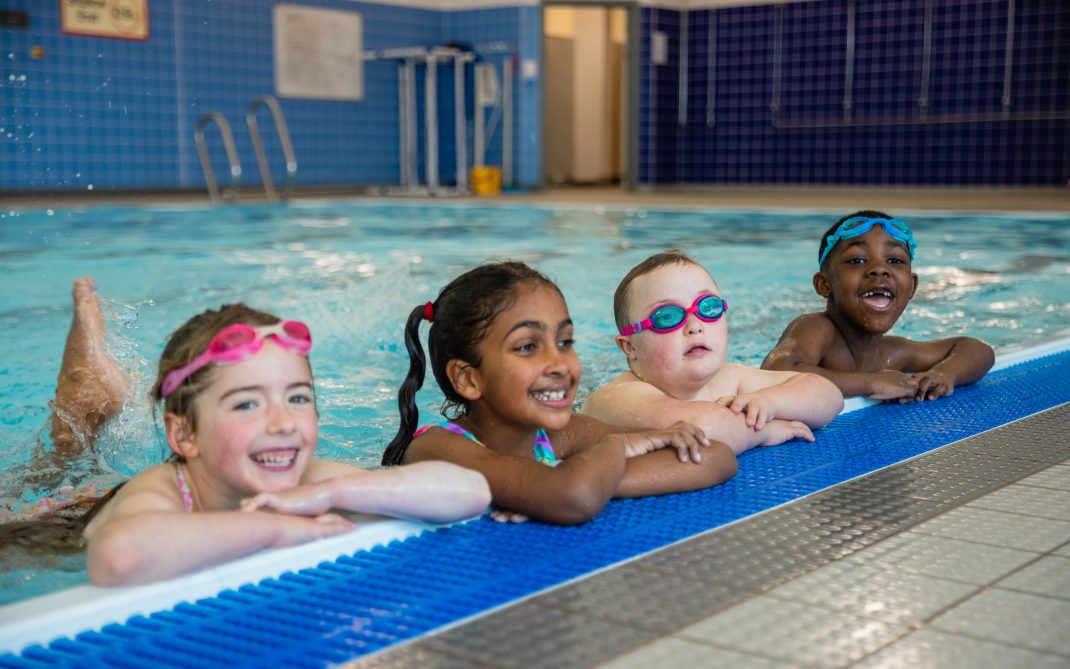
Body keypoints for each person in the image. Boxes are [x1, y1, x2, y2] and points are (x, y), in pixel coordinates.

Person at [9, 278, 492, 586]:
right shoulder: (158, 492)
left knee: (74, 462)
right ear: (184, 437)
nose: (282, 422)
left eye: (298, 397)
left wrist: (337, 491)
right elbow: (118, 557)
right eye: (246, 403)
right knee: (52, 470)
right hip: (51, 524)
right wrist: (274, 527)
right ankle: (86, 394)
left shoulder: (306, 481)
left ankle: (93, 399)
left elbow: (469, 491)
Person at [382, 261, 738, 525]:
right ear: (468, 379)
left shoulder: (553, 435)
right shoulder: (437, 448)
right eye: (527, 347)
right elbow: (574, 498)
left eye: (565, 341)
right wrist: (611, 452)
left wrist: (573, 480)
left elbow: (716, 456)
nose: (560, 364)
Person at [582, 250, 843, 455]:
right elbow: (702, 428)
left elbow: (828, 395)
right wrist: (763, 431)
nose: (694, 326)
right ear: (630, 348)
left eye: (707, 307)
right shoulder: (618, 396)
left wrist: (769, 403)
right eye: (668, 316)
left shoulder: (728, 376)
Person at [761, 211, 995, 401]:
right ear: (824, 285)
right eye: (857, 260)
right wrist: (871, 382)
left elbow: (977, 348)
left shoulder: (892, 354)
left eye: (894, 261)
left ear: (912, 286)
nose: (879, 269)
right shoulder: (817, 329)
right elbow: (777, 373)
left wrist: (943, 374)